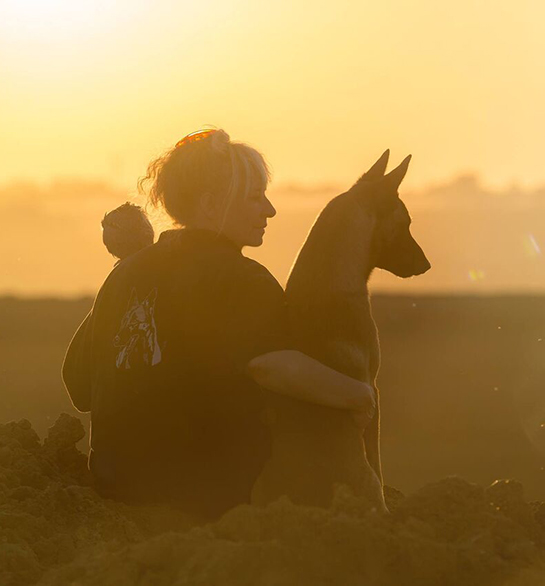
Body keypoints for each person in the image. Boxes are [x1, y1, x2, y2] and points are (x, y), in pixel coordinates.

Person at [62, 128, 374, 521]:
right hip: (206, 499)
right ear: (210, 205)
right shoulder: (242, 279)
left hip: (116, 491)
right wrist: (358, 394)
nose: (270, 210)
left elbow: (78, 386)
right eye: (254, 197)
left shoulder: (122, 276)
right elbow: (271, 365)